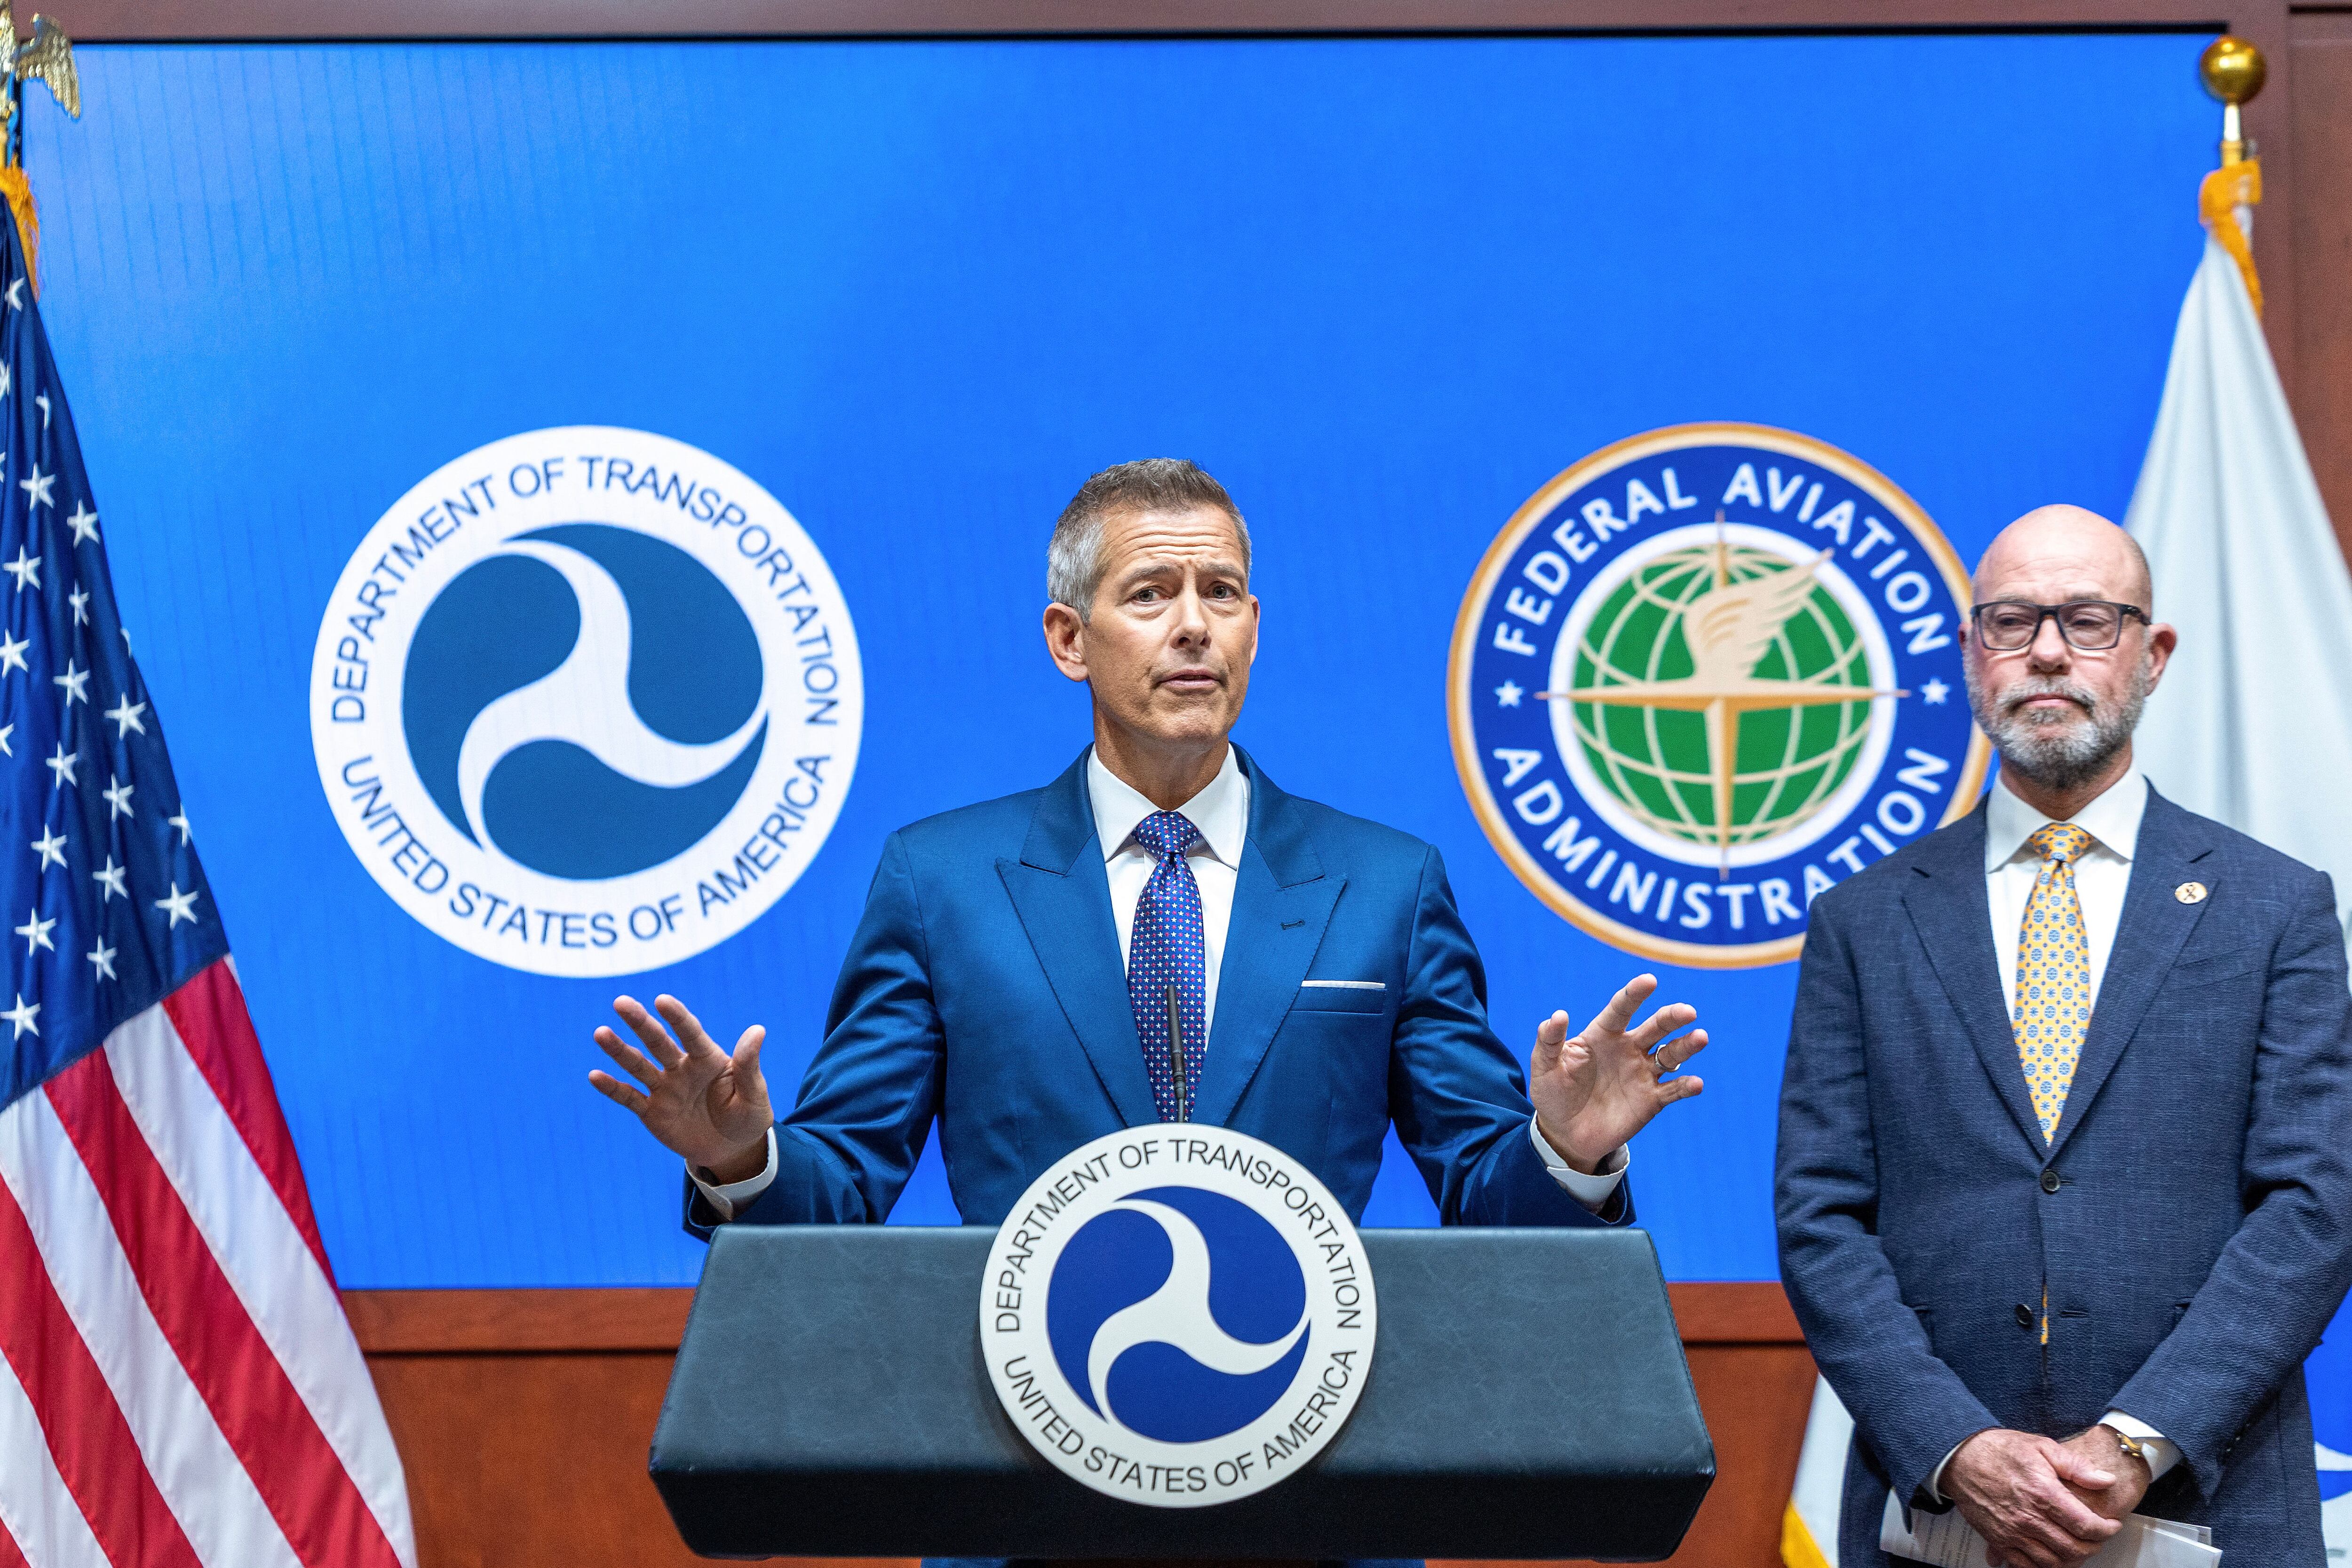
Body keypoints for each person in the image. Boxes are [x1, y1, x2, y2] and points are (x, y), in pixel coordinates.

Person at [589, 458, 1706, 1237]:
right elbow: (837, 1196)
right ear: (1069, 640)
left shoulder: (1386, 888)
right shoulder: (942, 884)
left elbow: (1485, 1195)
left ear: (1254, 629)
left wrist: (1568, 1151)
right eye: (1151, 592)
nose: (1192, 625)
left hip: (1313, 1467)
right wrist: (741, 1157)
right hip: (1029, 1465)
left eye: (1220, 593)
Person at [1777, 504, 2352, 1566]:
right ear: (1970, 652)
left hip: (2214, 1503)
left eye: (2088, 618)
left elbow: (2315, 1204)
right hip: (1941, 1520)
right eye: (2011, 621)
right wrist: (1953, 1442)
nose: (2047, 649)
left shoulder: (2275, 906)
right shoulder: (1862, 919)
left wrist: (2134, 1441)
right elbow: (1820, 1217)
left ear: (2153, 652)